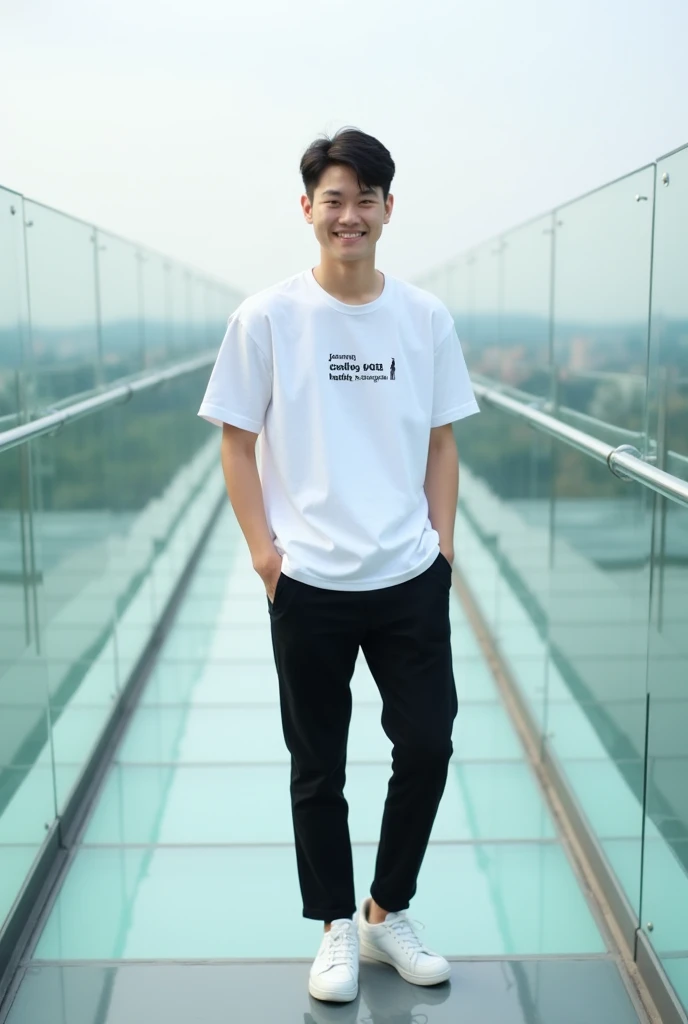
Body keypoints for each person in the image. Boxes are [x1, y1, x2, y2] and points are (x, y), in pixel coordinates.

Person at [198, 127, 480, 1004]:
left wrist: (440, 550)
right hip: (311, 581)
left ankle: (384, 910)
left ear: (389, 210)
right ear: (308, 209)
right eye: (334, 198)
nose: (349, 214)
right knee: (317, 764)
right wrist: (264, 555)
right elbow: (236, 444)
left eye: (366, 198)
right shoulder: (267, 317)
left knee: (426, 744)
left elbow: (441, 441)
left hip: (406, 577)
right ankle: (334, 930)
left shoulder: (424, 317)